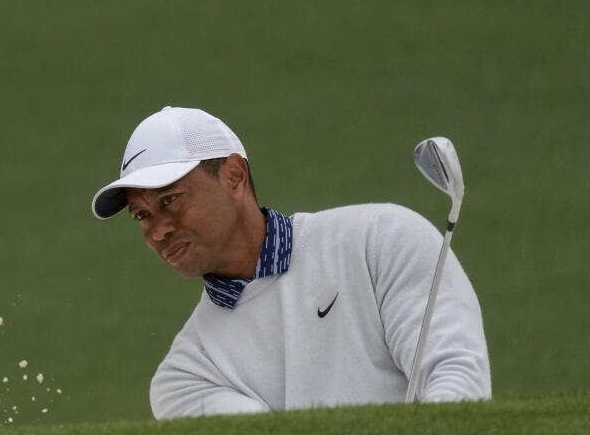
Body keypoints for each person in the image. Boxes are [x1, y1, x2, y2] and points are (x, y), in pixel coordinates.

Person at [90, 106, 491, 418]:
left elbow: (457, 377)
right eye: (142, 216)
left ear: (233, 176)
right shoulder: (186, 376)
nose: (158, 231)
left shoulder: (381, 238)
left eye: (170, 201)